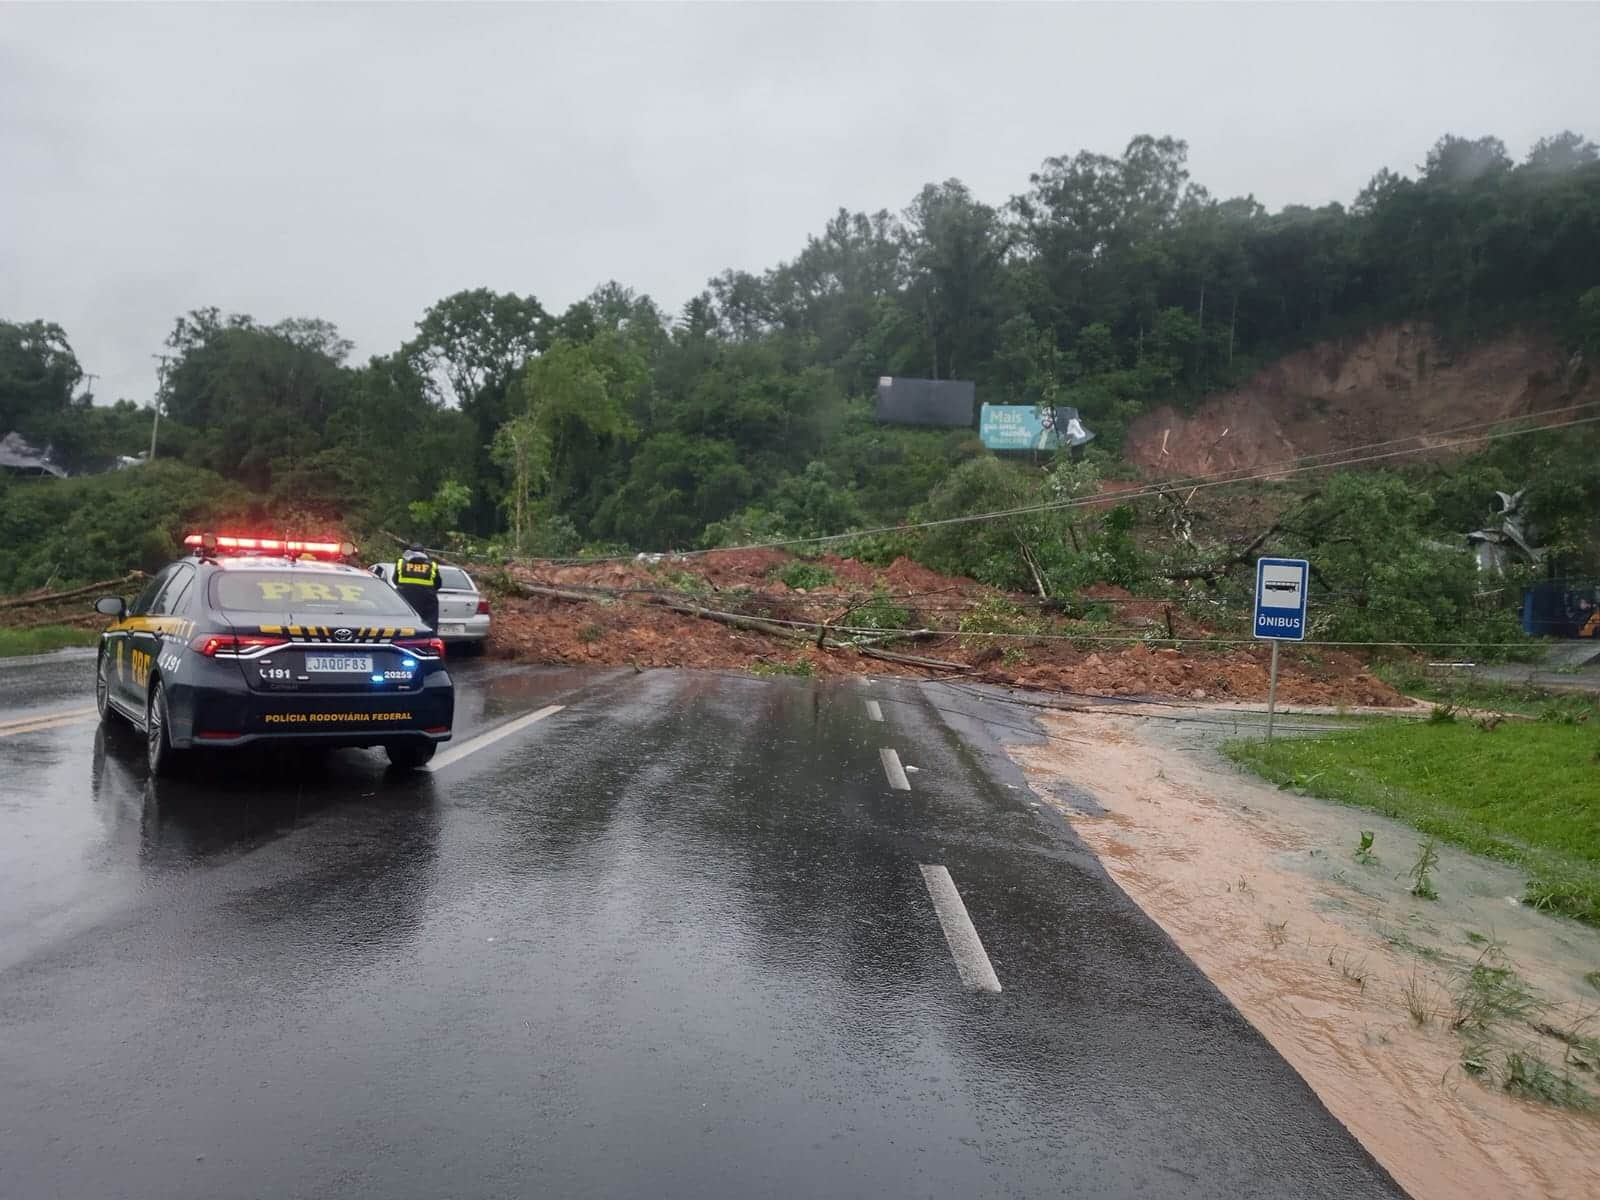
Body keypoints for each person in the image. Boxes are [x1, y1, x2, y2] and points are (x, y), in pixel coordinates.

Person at [393, 544, 442, 630]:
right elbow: (438, 584)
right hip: (427, 598)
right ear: (423, 552)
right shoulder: (432, 564)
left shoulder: (401, 562)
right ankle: (429, 638)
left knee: (404, 622)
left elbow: (395, 580)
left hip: (405, 597)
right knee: (430, 622)